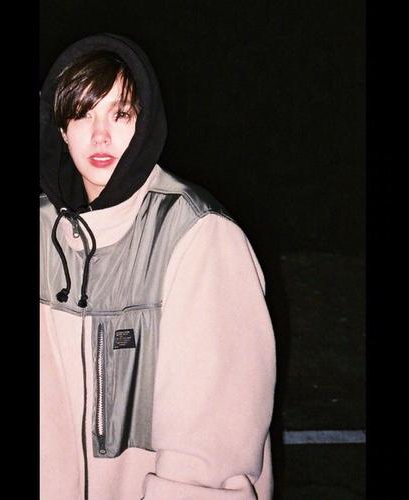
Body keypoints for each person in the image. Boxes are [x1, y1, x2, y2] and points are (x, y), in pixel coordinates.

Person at [40, 33, 276, 500]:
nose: (100, 135)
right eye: (83, 114)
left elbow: (212, 449)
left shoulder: (198, 235)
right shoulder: (44, 231)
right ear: (62, 129)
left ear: (144, 122)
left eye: (120, 114)